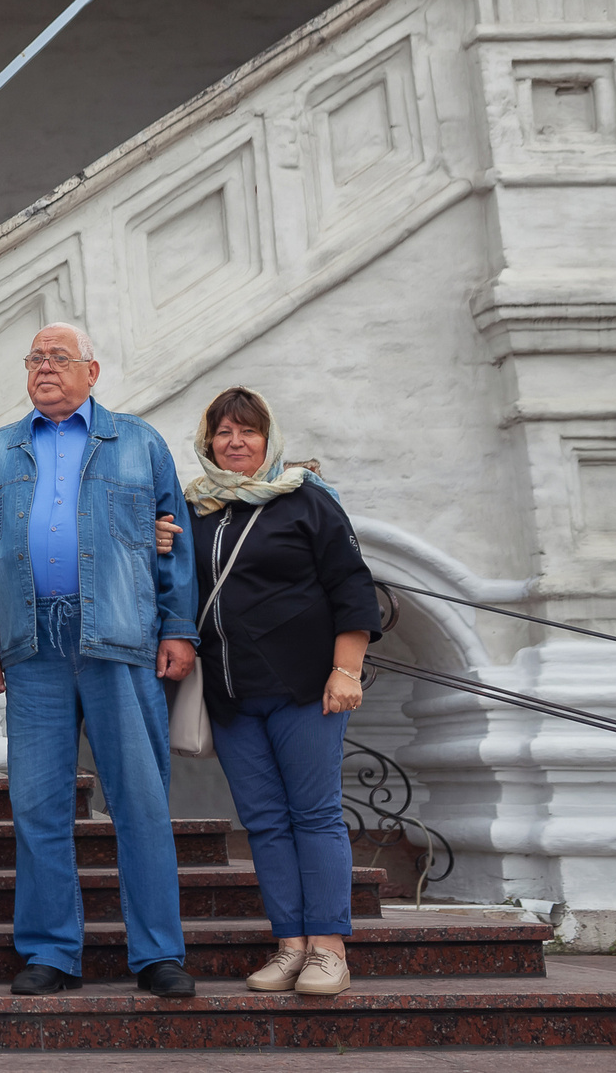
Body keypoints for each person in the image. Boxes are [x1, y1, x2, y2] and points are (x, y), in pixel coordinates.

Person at [0, 323, 200, 1000]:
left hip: (120, 638)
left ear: (91, 372)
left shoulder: (139, 443)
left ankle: (157, 953)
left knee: (142, 801)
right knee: (36, 803)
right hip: (32, 644)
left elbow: (173, 542)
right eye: (36, 358)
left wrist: (178, 627)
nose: (44, 368)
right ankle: (51, 950)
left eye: (59, 358)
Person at [186, 386, 382, 998]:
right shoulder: (197, 509)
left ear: (268, 439)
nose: (235, 442)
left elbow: (352, 586)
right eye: (223, 432)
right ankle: (290, 945)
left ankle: (328, 949)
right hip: (231, 693)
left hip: (304, 689)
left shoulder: (307, 501)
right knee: (265, 823)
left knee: (315, 814)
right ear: (208, 442)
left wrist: (345, 671)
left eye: (248, 431)